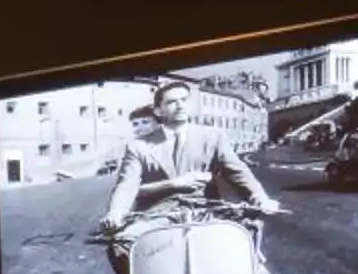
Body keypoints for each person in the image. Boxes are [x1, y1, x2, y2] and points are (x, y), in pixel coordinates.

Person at [100, 77, 278, 231]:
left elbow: (237, 172)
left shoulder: (213, 137)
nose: (180, 106)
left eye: (184, 100)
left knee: (243, 243)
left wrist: (259, 198)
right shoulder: (139, 146)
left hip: (207, 212)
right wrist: (115, 213)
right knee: (122, 247)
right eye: (171, 102)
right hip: (156, 217)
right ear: (158, 110)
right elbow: (126, 185)